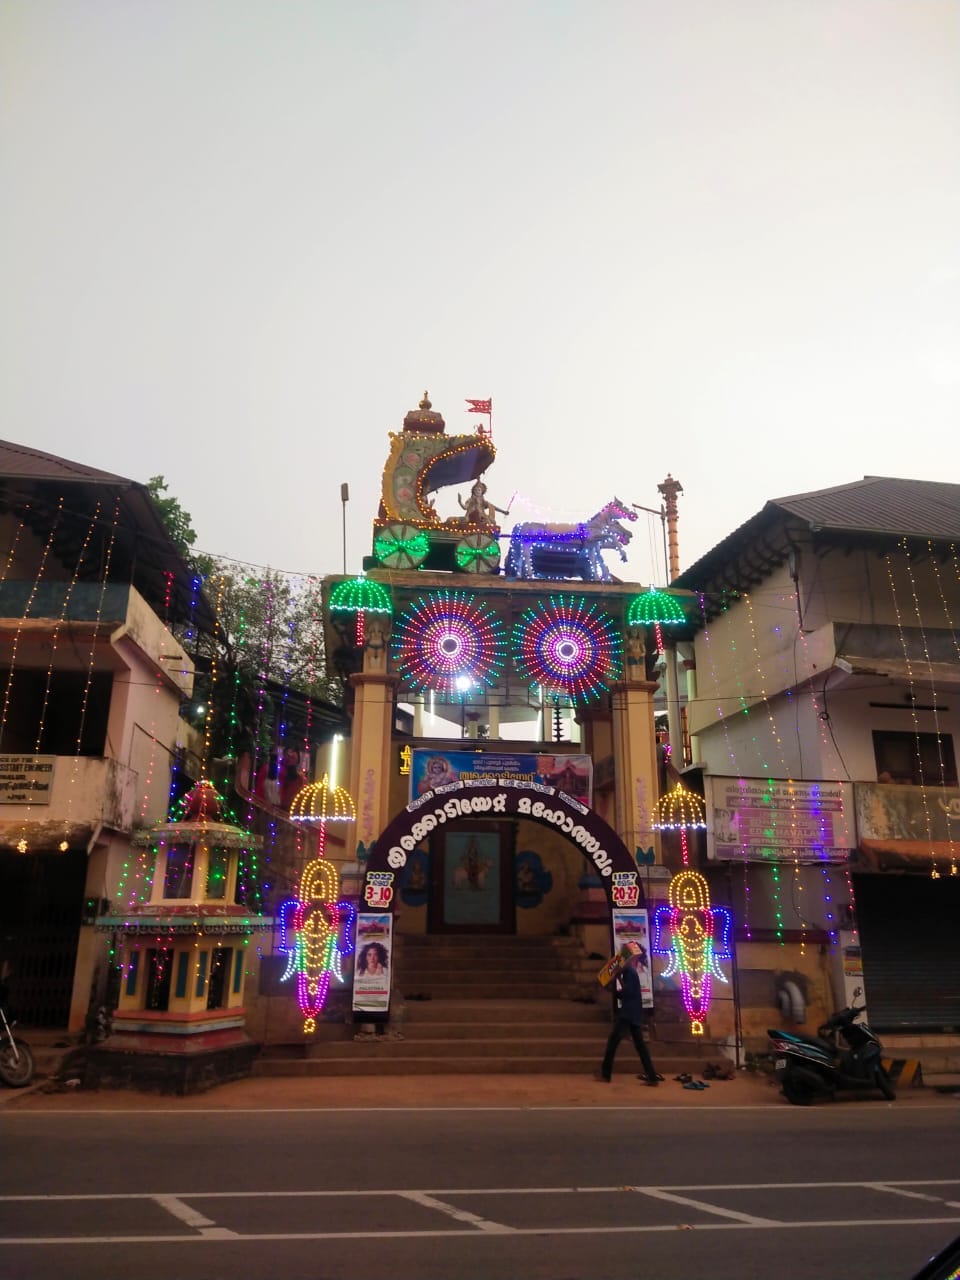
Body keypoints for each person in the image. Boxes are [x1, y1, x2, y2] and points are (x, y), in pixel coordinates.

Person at [599, 950, 660, 1085]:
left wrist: (615, 989)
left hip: (628, 1014)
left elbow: (626, 993)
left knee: (613, 1042)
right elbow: (627, 991)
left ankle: (605, 1074)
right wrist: (618, 981)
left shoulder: (630, 973)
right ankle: (652, 1076)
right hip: (634, 1014)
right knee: (640, 1046)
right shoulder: (628, 973)